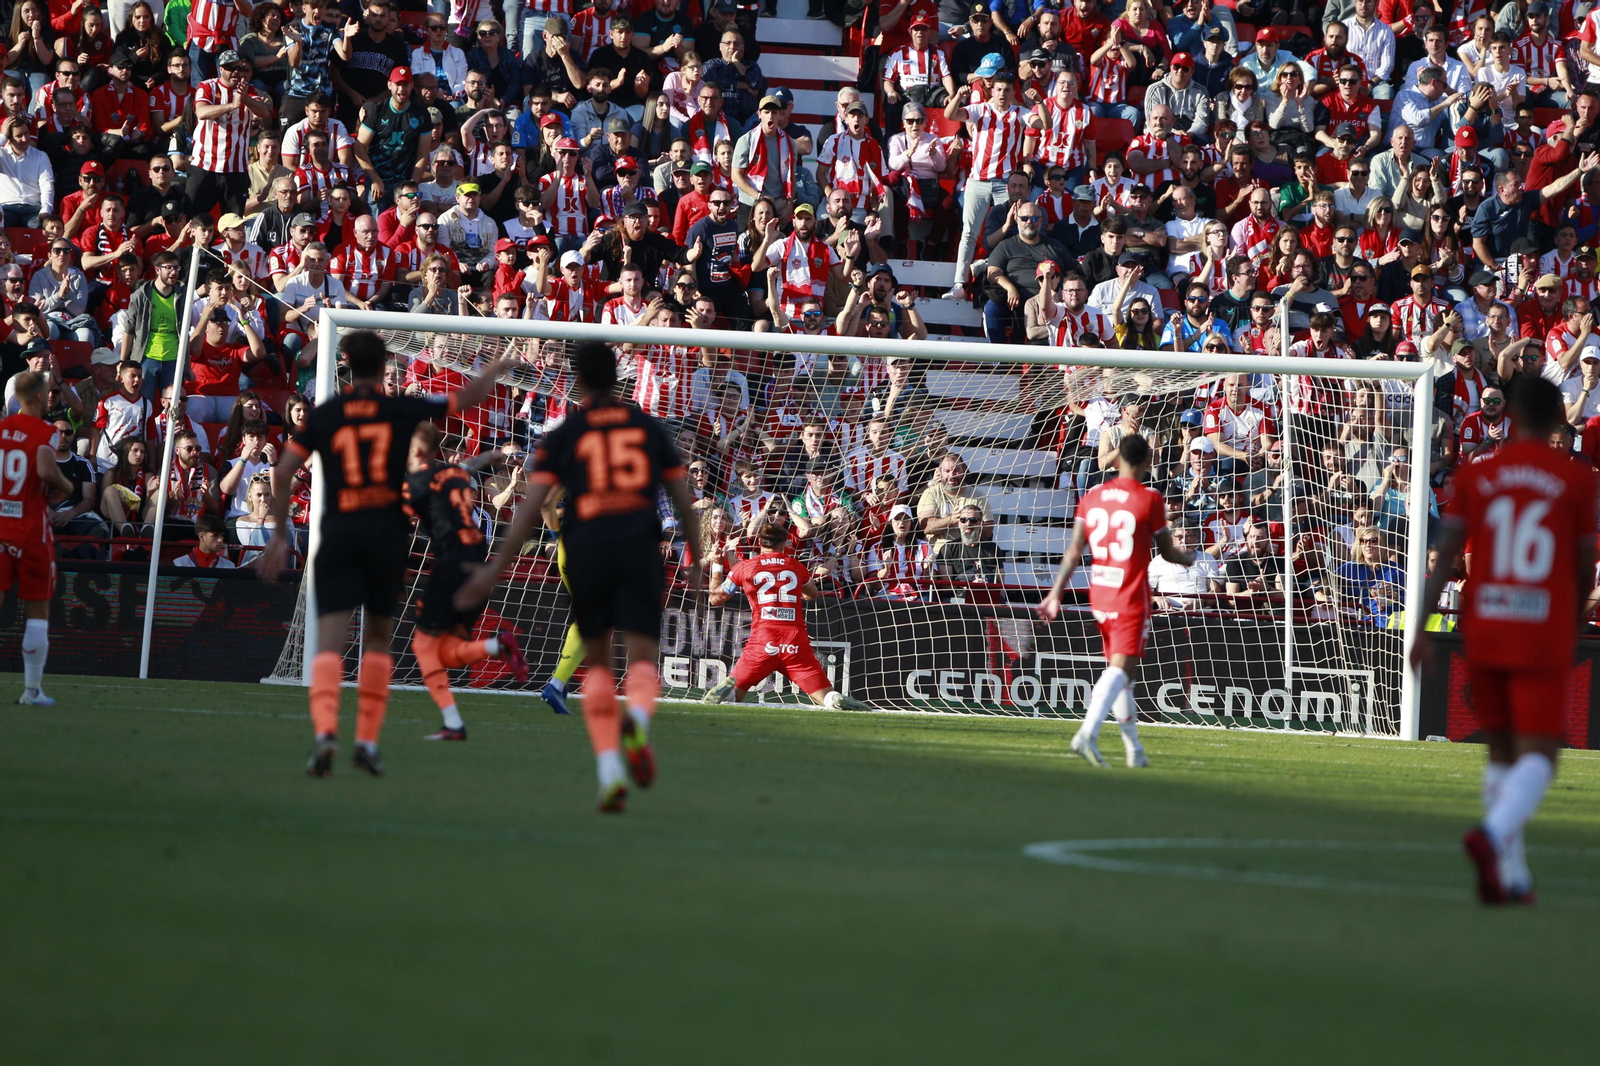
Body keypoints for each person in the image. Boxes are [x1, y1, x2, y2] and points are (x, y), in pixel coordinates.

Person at [454, 341, 702, 814]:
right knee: (644, 653)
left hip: (586, 546)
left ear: (580, 382)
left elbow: (529, 507)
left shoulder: (565, 435)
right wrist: (696, 560)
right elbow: (681, 498)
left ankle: (610, 772)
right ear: (619, 379)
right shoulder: (648, 428)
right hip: (637, 543)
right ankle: (640, 728)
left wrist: (496, 566)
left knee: (601, 659)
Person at [258, 331, 512, 778]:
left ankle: (324, 733)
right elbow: (469, 395)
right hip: (386, 535)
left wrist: (279, 535)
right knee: (377, 638)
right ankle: (368, 742)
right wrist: (499, 365)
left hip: (337, 533)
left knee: (330, 640)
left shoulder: (328, 415)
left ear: (347, 364)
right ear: (384, 365)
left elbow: (282, 473)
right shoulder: (402, 409)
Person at [1412, 377, 1599, 905]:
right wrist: (1574, 618)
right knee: (1539, 754)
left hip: (1483, 623)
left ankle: (1512, 878)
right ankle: (1491, 838)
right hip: (1539, 627)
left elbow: (1446, 554)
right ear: (1559, 417)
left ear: (1512, 416)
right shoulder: (1576, 480)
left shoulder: (1478, 473)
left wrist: (1425, 625)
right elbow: (1584, 565)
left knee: (1499, 751)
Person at [1037, 433, 1193, 768]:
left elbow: (1075, 551)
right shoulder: (1150, 497)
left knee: (1124, 674)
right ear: (1148, 461)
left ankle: (1135, 752)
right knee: (1120, 671)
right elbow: (1165, 551)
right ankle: (1087, 733)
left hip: (1100, 593)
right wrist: (1187, 559)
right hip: (1131, 595)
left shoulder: (1093, 495)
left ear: (1118, 458)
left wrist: (1054, 594)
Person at [401, 421, 529, 741]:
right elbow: (474, 463)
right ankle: (495, 648)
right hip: (478, 560)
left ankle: (454, 721)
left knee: (424, 646)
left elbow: (400, 529)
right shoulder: (455, 474)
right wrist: (499, 453)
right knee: (446, 651)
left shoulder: (416, 484)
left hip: (452, 564)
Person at [703, 519, 868, 708]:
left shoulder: (745, 567)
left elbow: (715, 599)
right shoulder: (796, 566)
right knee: (825, 695)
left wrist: (717, 564)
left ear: (760, 542)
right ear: (785, 543)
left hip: (764, 638)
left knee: (734, 695)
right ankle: (833, 698)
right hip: (794, 640)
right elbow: (812, 595)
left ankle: (729, 692)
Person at [0, 371, 75, 705]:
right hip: (29, 529)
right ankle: (31, 691)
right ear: (35, 397)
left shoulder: (1, 429)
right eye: (46, 393)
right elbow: (45, 470)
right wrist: (67, 486)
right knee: (37, 609)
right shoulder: (44, 431)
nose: (49, 399)